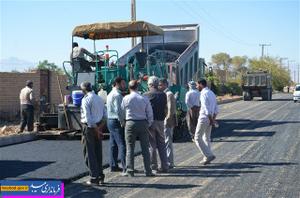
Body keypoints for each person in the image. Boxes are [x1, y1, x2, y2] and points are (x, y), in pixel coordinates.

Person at [121, 80, 154, 177]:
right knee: (145, 148)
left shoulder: (126, 98)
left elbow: (122, 111)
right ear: (138, 87)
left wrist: (123, 122)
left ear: (129, 88)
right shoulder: (144, 98)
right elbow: (149, 112)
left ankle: (130, 170)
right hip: (143, 122)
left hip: (130, 123)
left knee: (130, 148)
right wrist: (148, 123)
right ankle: (148, 171)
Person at [80, 81, 106, 185]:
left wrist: (96, 129)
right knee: (98, 152)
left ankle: (94, 177)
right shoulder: (99, 98)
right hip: (99, 126)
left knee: (89, 153)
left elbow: (88, 118)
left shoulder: (86, 99)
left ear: (84, 89)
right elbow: (105, 116)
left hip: (89, 128)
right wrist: (99, 129)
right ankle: (100, 175)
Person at [144, 76, 169, 173]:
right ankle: (165, 165)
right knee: (162, 144)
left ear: (150, 85)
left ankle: (153, 166)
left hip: (150, 122)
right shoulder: (163, 95)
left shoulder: (146, 95)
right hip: (161, 121)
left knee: (152, 145)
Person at [195, 79, 219, 165]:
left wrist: (211, 120)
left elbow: (206, 108)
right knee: (206, 138)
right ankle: (206, 158)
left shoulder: (203, 94)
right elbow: (216, 109)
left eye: (197, 85)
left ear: (201, 84)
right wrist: (213, 119)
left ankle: (209, 155)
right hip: (210, 118)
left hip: (204, 118)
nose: (196, 87)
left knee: (197, 138)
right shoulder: (211, 93)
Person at [107, 77, 126, 173]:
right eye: (123, 83)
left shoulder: (110, 94)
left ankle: (113, 165)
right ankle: (126, 166)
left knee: (113, 144)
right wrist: (123, 122)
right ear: (117, 84)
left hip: (110, 120)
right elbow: (119, 110)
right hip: (116, 121)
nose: (124, 85)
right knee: (122, 144)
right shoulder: (118, 95)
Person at [158, 78, 178, 168]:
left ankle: (170, 162)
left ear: (165, 85)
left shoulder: (168, 94)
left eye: (160, 85)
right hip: (165, 120)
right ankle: (167, 161)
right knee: (166, 141)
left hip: (168, 121)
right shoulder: (163, 94)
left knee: (167, 141)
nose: (159, 86)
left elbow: (170, 109)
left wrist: (167, 120)